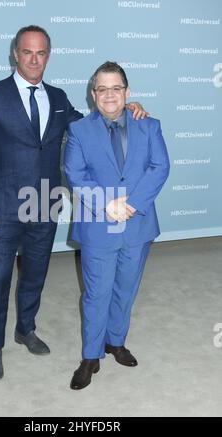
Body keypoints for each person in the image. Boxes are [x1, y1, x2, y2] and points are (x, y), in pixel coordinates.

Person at [0, 26, 148, 381]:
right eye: (27, 52)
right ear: (15, 54)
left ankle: (26, 329)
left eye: (41, 53)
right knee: (0, 276)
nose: (34, 60)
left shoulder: (60, 97)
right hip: (3, 204)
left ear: (48, 56)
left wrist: (126, 109)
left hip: (45, 203)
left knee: (35, 272)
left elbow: (93, 127)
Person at [64, 61, 170, 390]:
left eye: (116, 88)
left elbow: (160, 167)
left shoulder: (149, 125)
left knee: (126, 290)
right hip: (99, 224)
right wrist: (107, 204)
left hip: (137, 224)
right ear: (92, 93)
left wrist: (133, 204)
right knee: (96, 293)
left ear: (127, 92)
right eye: (102, 88)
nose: (109, 94)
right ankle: (91, 356)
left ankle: (115, 342)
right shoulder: (79, 130)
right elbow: (75, 174)